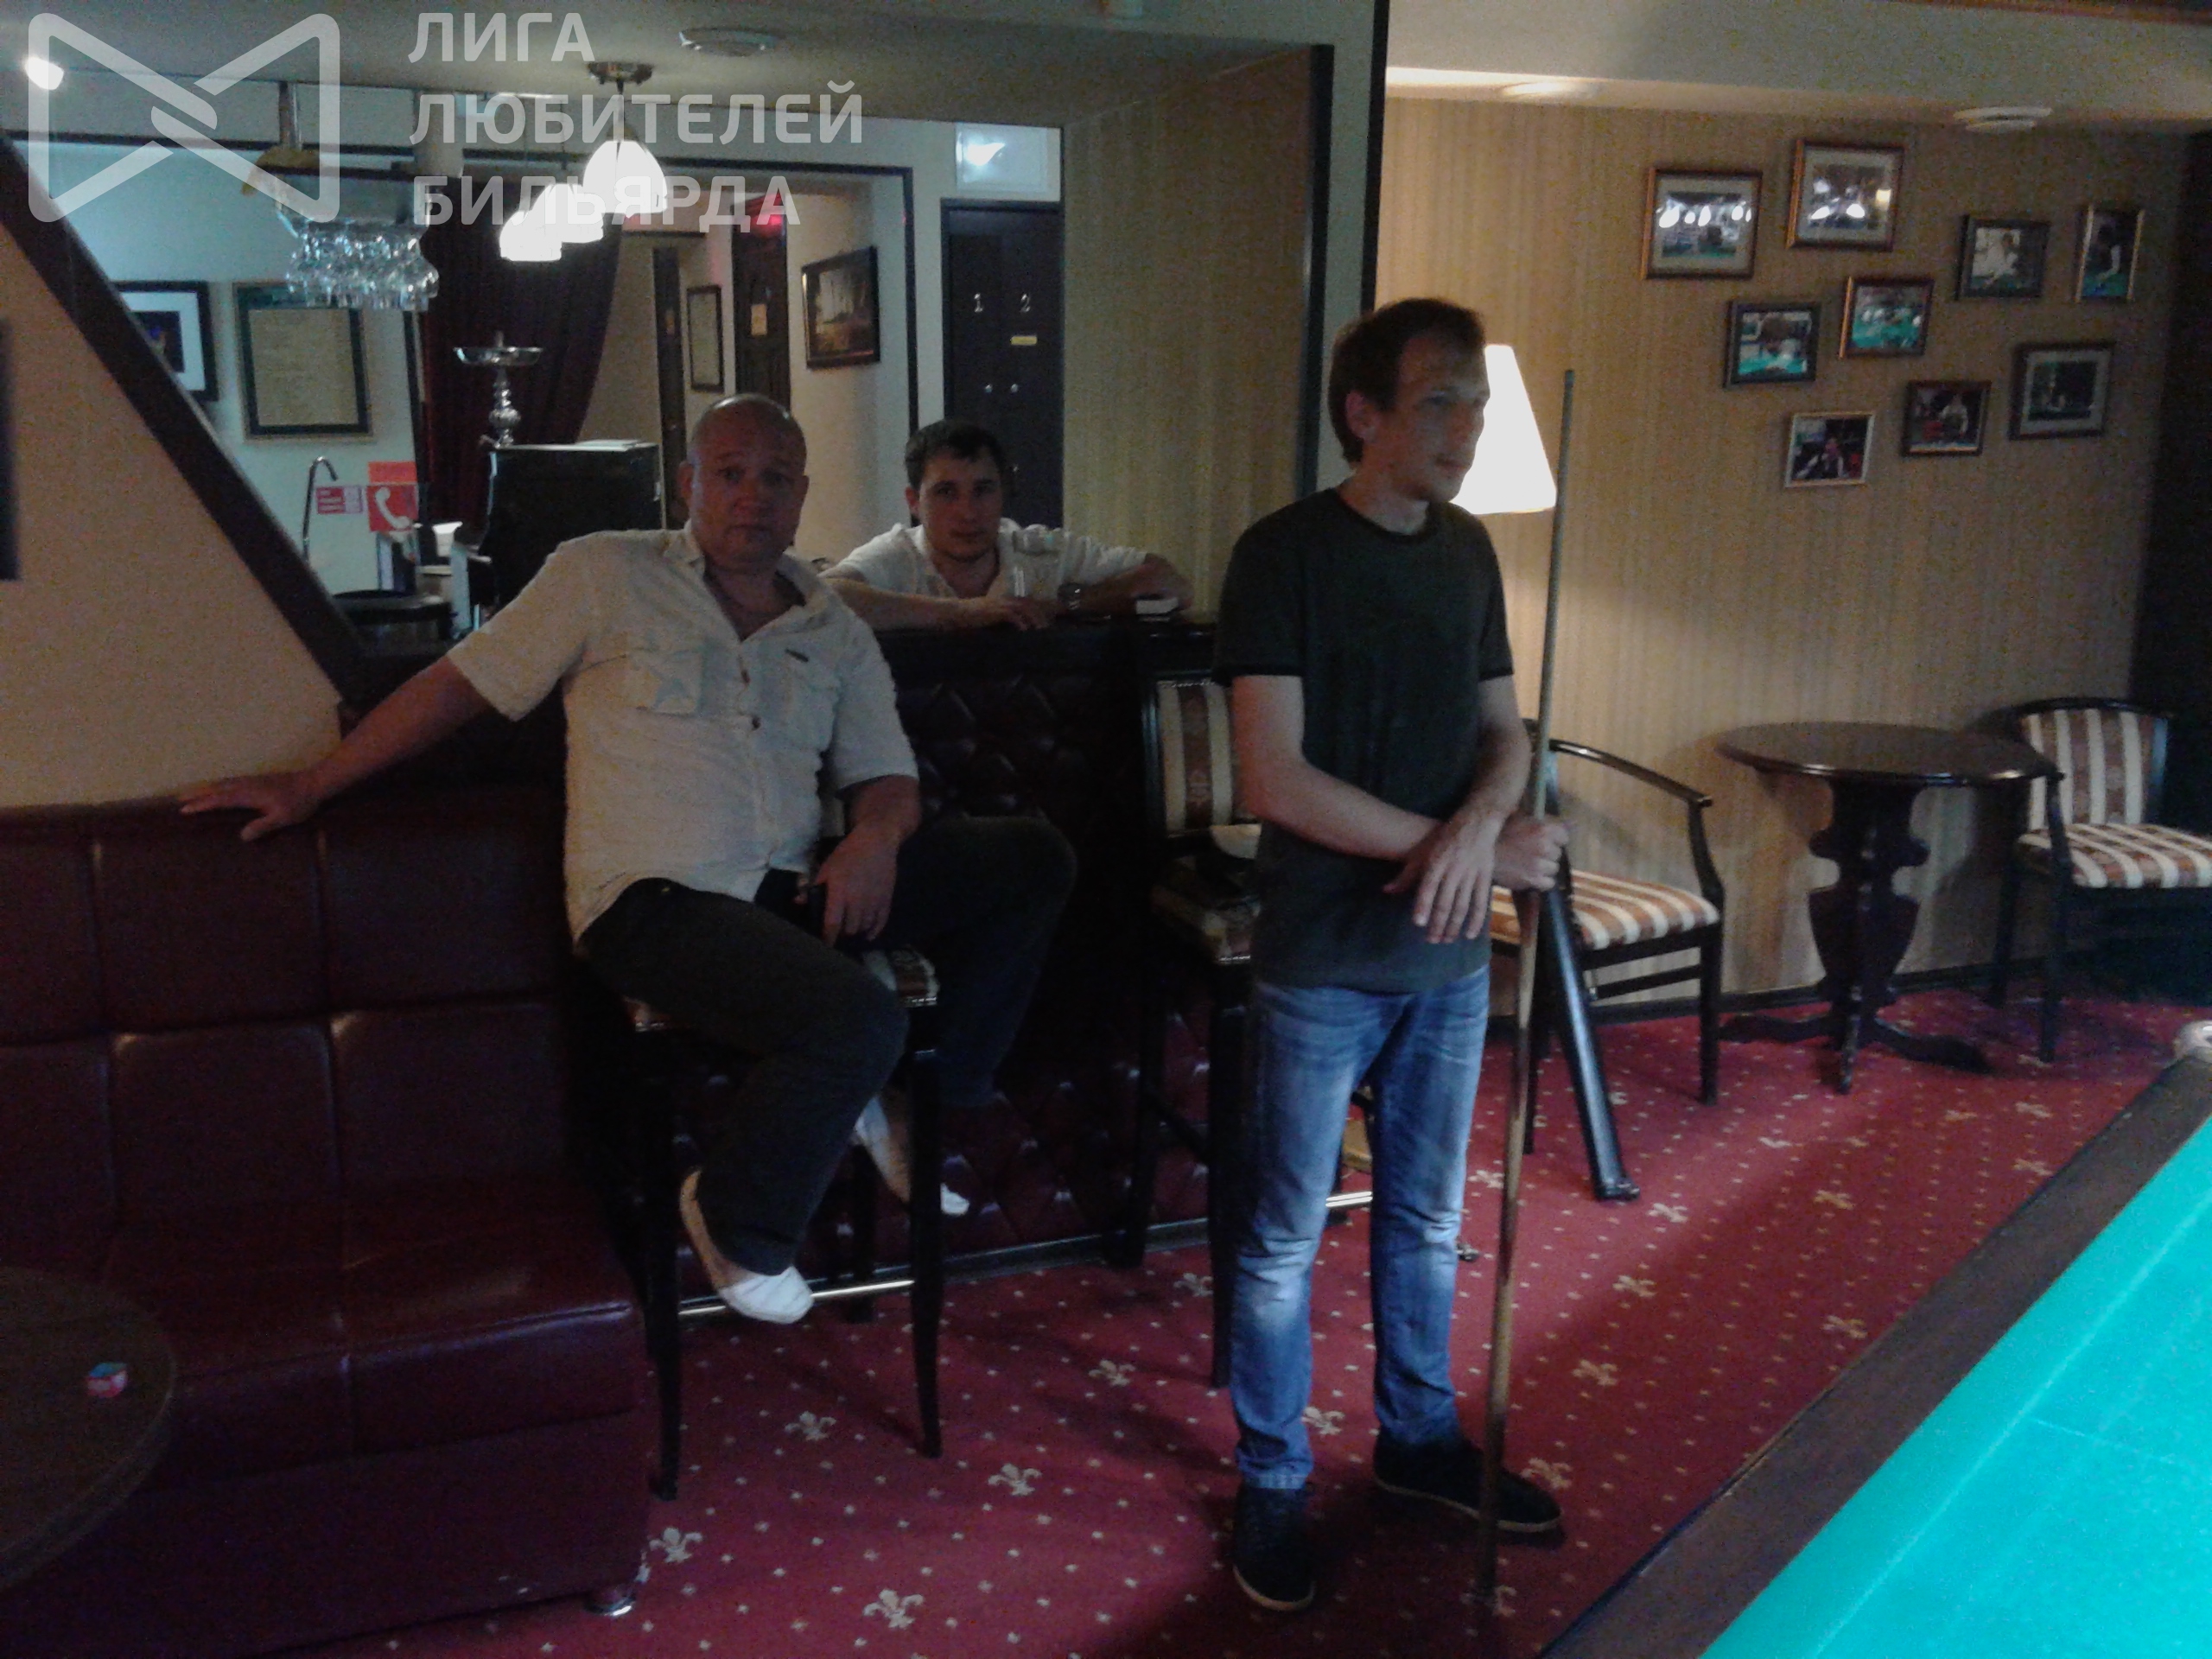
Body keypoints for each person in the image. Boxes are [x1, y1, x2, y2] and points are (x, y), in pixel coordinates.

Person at [182, 395, 1076, 1325]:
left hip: (794, 886)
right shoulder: (602, 573)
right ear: (690, 483)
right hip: (654, 904)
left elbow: (886, 777)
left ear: (802, 495)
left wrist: (873, 839)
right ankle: (735, 1218)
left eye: (775, 478)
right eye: (730, 473)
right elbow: (458, 686)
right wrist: (313, 784)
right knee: (858, 1017)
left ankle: (912, 1099)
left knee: (1029, 858)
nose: (753, 496)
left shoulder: (832, 625)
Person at [1211, 298, 1571, 1612]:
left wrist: (1480, 828)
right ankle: (1271, 1478)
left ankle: (1417, 1443)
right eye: (1439, 401)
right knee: (1281, 1238)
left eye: (1476, 401)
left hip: (1448, 960)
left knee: (1427, 1221)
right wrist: (1461, 846)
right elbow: (1274, 779)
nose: (1466, 427)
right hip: (1321, 954)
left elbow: (1505, 734)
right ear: (1364, 414)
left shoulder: (1469, 550)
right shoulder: (1282, 554)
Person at [825, 419, 1192, 631]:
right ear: (913, 503)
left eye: (983, 490)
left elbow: (1171, 585)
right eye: (946, 493)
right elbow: (822, 596)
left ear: (1004, 493)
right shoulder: (896, 555)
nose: (968, 512)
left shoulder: (1042, 552)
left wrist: (1064, 605)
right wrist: (963, 613)